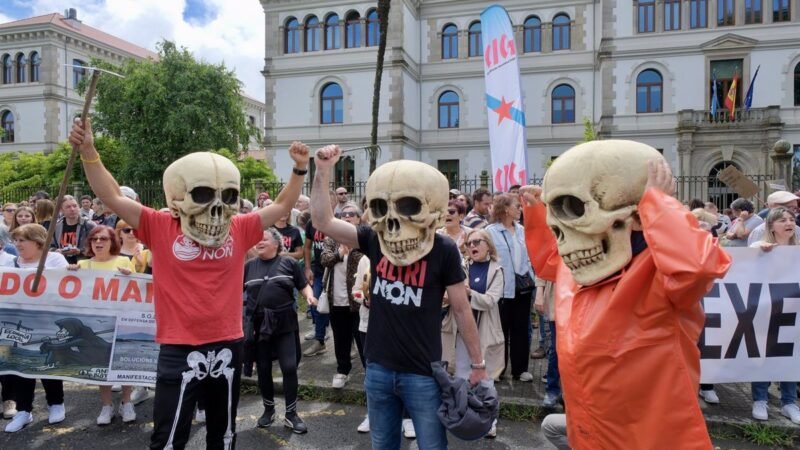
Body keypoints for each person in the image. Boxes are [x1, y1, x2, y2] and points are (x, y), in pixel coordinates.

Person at [69, 118, 310, 449]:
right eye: (202, 196)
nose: (216, 209)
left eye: (227, 198)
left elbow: (283, 206)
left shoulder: (238, 227)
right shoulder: (159, 224)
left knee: (223, 436)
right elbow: (110, 195)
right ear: (177, 200)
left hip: (228, 343)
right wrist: (89, 151)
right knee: (168, 437)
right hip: (178, 346)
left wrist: (299, 169)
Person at [522, 141, 731, 450]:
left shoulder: (658, 277)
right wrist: (542, 214)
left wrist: (660, 205)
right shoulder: (577, 271)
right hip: (591, 432)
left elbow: (697, 267)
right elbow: (549, 260)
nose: (567, 239)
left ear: (635, 217)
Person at [310, 145, 488, 449]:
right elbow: (323, 221)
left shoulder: (443, 250)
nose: (392, 223)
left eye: (409, 208)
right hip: (378, 367)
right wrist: (323, 170)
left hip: (422, 371)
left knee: (432, 445)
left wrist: (477, 364)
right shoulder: (374, 239)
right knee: (382, 444)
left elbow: (461, 308)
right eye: (382, 210)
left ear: (434, 211)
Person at [243, 228, 317, 433]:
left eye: (264, 239)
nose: (259, 242)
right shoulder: (249, 267)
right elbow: (235, 293)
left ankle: (291, 414)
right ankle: (268, 410)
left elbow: (303, 285)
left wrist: (309, 296)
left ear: (276, 244)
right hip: (260, 328)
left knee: (289, 367)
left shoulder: (288, 263)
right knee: (264, 369)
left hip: (285, 324)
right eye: (257, 239)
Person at [65, 226, 137, 425]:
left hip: (120, 321)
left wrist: (130, 275)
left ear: (112, 242)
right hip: (94, 325)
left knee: (123, 362)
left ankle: (126, 401)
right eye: (94, 238)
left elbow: (139, 289)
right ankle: (106, 405)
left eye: (103, 239)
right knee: (100, 364)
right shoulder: (83, 265)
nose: (98, 242)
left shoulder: (124, 261)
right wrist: (71, 272)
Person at [4, 224, 69, 433]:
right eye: (16, 240)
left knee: (48, 361)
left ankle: (56, 403)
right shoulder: (9, 262)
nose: (17, 244)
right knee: (22, 366)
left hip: (48, 320)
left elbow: (69, 284)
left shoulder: (55, 260)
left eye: (22, 240)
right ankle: (24, 410)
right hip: (18, 322)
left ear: (38, 242)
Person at [748, 207, 800, 424]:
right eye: (782, 220)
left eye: (791, 219)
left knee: (792, 356)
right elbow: (748, 254)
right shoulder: (762, 247)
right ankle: (760, 399)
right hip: (767, 311)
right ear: (771, 226)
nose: (788, 223)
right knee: (764, 354)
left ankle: (789, 402)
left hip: (794, 312)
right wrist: (760, 247)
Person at [457, 229, 505, 438]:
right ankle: (464, 418)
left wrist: (469, 293)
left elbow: (491, 300)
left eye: (477, 242)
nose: (472, 246)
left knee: (485, 379)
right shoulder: (462, 267)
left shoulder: (497, 270)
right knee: (460, 376)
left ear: (488, 245)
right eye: (468, 243)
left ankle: (489, 421)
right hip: (461, 330)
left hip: (484, 329)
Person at [486, 193, 536, 382]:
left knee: (521, 329)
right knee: (500, 331)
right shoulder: (491, 231)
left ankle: (520, 370)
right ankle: (498, 370)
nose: (520, 209)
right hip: (501, 289)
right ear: (506, 209)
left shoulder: (522, 230)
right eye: (517, 205)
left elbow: (530, 256)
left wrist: (531, 276)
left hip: (522, 288)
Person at [320, 202, 366, 389]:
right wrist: (339, 254)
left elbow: (369, 260)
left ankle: (369, 372)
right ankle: (342, 371)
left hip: (359, 300)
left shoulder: (365, 238)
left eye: (352, 214)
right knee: (341, 338)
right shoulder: (332, 239)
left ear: (359, 218)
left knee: (362, 338)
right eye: (343, 214)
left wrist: (352, 249)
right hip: (336, 299)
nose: (347, 217)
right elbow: (324, 259)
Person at [51, 195, 97, 264]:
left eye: (75, 206)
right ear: (61, 210)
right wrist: (56, 251)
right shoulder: (56, 226)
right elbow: (49, 247)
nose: (72, 209)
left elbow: (97, 247)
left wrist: (80, 251)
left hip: (83, 265)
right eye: (68, 207)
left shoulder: (89, 225)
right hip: (62, 265)